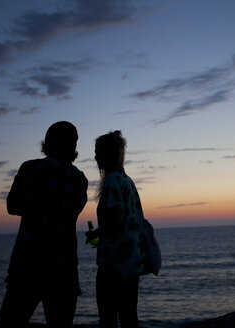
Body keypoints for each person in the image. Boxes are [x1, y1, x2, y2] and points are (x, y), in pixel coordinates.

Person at [0, 121, 88, 328]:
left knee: (9, 323)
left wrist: (33, 209)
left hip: (27, 266)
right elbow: (73, 212)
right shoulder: (79, 179)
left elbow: (12, 206)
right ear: (74, 146)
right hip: (64, 269)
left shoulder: (30, 169)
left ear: (47, 143)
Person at [85, 130, 146, 328]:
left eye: (99, 152)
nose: (95, 157)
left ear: (111, 154)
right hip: (131, 262)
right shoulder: (128, 181)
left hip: (113, 264)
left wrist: (95, 233)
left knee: (108, 317)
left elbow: (116, 220)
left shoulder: (112, 180)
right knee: (129, 317)